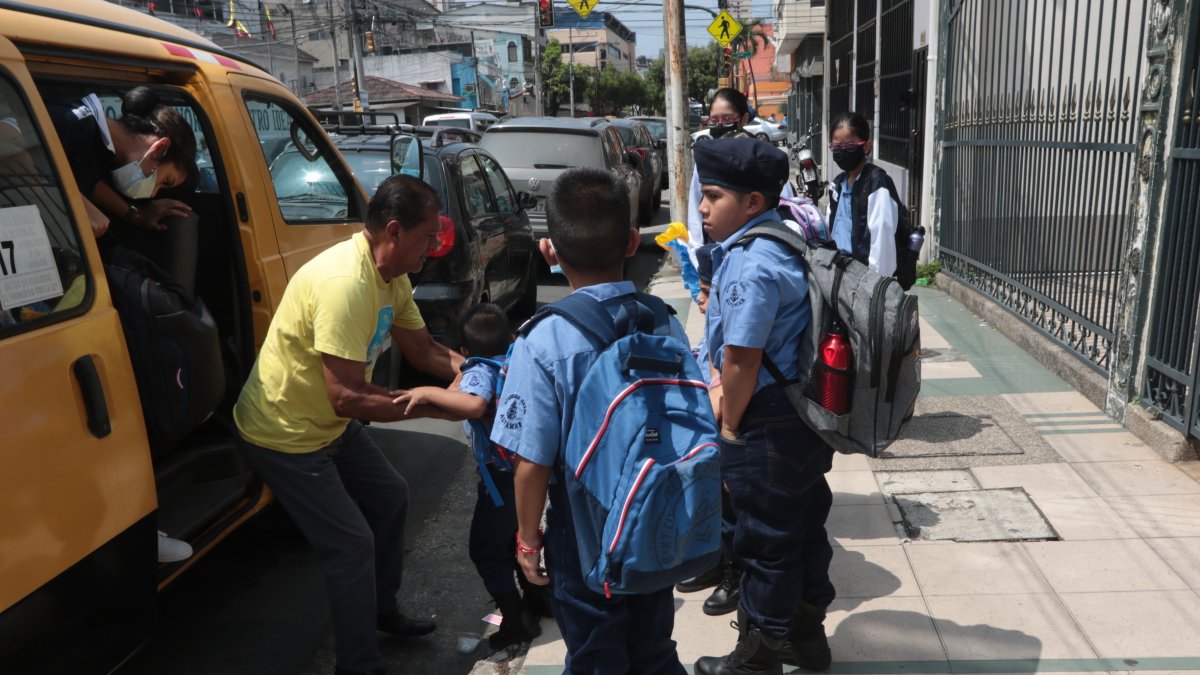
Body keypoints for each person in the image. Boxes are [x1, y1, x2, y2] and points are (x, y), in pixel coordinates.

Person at [232, 175, 464, 675]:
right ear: (395, 231)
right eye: (428, 236)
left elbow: (425, 351)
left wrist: (483, 376)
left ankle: (381, 611)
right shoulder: (346, 286)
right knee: (350, 543)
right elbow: (347, 397)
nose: (434, 246)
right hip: (285, 432)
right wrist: (441, 407)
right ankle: (357, 664)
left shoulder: (393, 275)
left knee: (391, 496)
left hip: (327, 423)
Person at [495, 167, 690, 675]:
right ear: (631, 241)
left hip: (581, 529)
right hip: (654, 510)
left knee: (594, 653)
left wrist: (526, 539)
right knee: (652, 644)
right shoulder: (662, 319)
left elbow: (532, 462)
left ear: (549, 251)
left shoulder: (543, 341)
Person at [692, 137, 835, 675]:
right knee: (800, 528)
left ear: (752, 202)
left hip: (766, 418)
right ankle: (807, 642)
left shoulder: (752, 264)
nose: (702, 209)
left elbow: (741, 361)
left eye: (712, 196)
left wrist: (729, 429)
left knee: (764, 542)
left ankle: (757, 659)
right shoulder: (784, 241)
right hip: (798, 413)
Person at [392, 302, 548, 651]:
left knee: (484, 550)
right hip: (525, 471)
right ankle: (539, 600)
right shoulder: (515, 360)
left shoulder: (477, 370)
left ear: (464, 351)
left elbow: (475, 405)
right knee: (517, 538)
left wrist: (426, 392)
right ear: (509, 337)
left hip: (499, 479)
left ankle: (516, 619)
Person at [45, 86, 196, 238]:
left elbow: (91, 183)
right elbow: (23, 157)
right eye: (166, 180)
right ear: (159, 148)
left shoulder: (98, 150)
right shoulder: (74, 123)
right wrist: (78, 206)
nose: (153, 193)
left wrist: (138, 216)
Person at [826, 111, 902, 277]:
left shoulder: (877, 183)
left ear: (866, 146)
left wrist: (874, 285)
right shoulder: (838, 184)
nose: (843, 152)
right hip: (840, 270)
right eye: (837, 148)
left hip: (862, 277)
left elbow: (882, 238)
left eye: (850, 147)